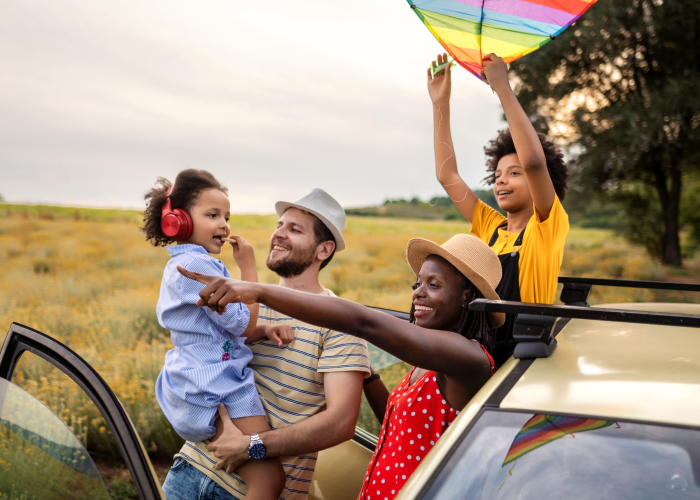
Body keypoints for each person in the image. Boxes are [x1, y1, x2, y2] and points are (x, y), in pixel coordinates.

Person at [177, 232, 504, 500]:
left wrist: (260, 291)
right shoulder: (430, 366)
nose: (418, 293)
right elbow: (401, 426)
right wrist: (365, 373)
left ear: (467, 297)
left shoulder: (470, 360)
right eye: (417, 283)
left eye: (434, 285)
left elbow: (364, 323)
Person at [161, 188, 371, 500]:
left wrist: (252, 446)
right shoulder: (243, 301)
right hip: (190, 470)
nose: (279, 234)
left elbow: (340, 424)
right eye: (279, 225)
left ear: (324, 250)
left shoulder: (339, 322)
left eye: (294, 229)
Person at [142, 169, 293, 499]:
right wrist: (249, 269)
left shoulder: (178, 265)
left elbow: (215, 331)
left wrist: (265, 329)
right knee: (269, 481)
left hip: (190, 383)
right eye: (212, 215)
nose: (224, 224)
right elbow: (242, 326)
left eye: (226, 216)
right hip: (221, 387)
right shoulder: (202, 268)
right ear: (178, 220)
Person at [427, 53, 570, 367]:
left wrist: (503, 87)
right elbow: (447, 176)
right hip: (480, 354)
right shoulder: (489, 225)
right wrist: (441, 103)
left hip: (524, 360)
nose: (502, 180)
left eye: (515, 173)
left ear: (540, 180)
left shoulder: (546, 224)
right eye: (498, 175)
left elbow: (534, 161)